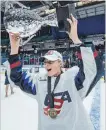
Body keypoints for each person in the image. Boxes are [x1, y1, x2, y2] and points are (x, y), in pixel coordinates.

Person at [8, 14, 103, 130]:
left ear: (60, 63)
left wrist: (76, 40)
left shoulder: (72, 79)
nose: (46, 64)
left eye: (51, 61)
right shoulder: (39, 81)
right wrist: (14, 49)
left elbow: (93, 70)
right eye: (45, 61)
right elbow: (17, 78)